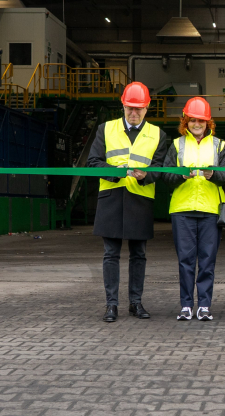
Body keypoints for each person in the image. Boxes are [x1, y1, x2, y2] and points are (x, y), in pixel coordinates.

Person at [87, 82, 169, 323]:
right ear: (122, 105)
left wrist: (146, 175)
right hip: (112, 197)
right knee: (110, 254)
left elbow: (161, 168)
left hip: (140, 198)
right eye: (129, 108)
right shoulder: (105, 129)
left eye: (139, 109)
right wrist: (116, 171)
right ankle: (111, 305)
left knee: (138, 254)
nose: (134, 113)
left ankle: (136, 303)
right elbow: (93, 163)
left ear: (147, 109)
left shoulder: (158, 134)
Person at [162, 97, 225, 322]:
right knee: (185, 260)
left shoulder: (221, 146)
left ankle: (203, 305)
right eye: (192, 120)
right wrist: (182, 174)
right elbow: (166, 176)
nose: (196, 124)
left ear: (208, 122)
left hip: (210, 210)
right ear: (185, 121)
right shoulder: (176, 145)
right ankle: (186, 305)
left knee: (207, 260)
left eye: (201, 120)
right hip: (182, 209)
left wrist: (214, 175)